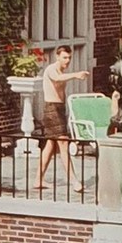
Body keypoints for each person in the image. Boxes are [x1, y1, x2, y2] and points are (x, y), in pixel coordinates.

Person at [36, 45, 90, 193]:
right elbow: (57, 78)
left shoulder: (62, 70)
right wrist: (76, 75)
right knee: (64, 143)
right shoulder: (51, 69)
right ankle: (74, 180)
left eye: (69, 58)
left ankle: (38, 179)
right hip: (51, 109)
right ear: (57, 57)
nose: (67, 60)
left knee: (50, 145)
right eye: (65, 57)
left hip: (60, 109)